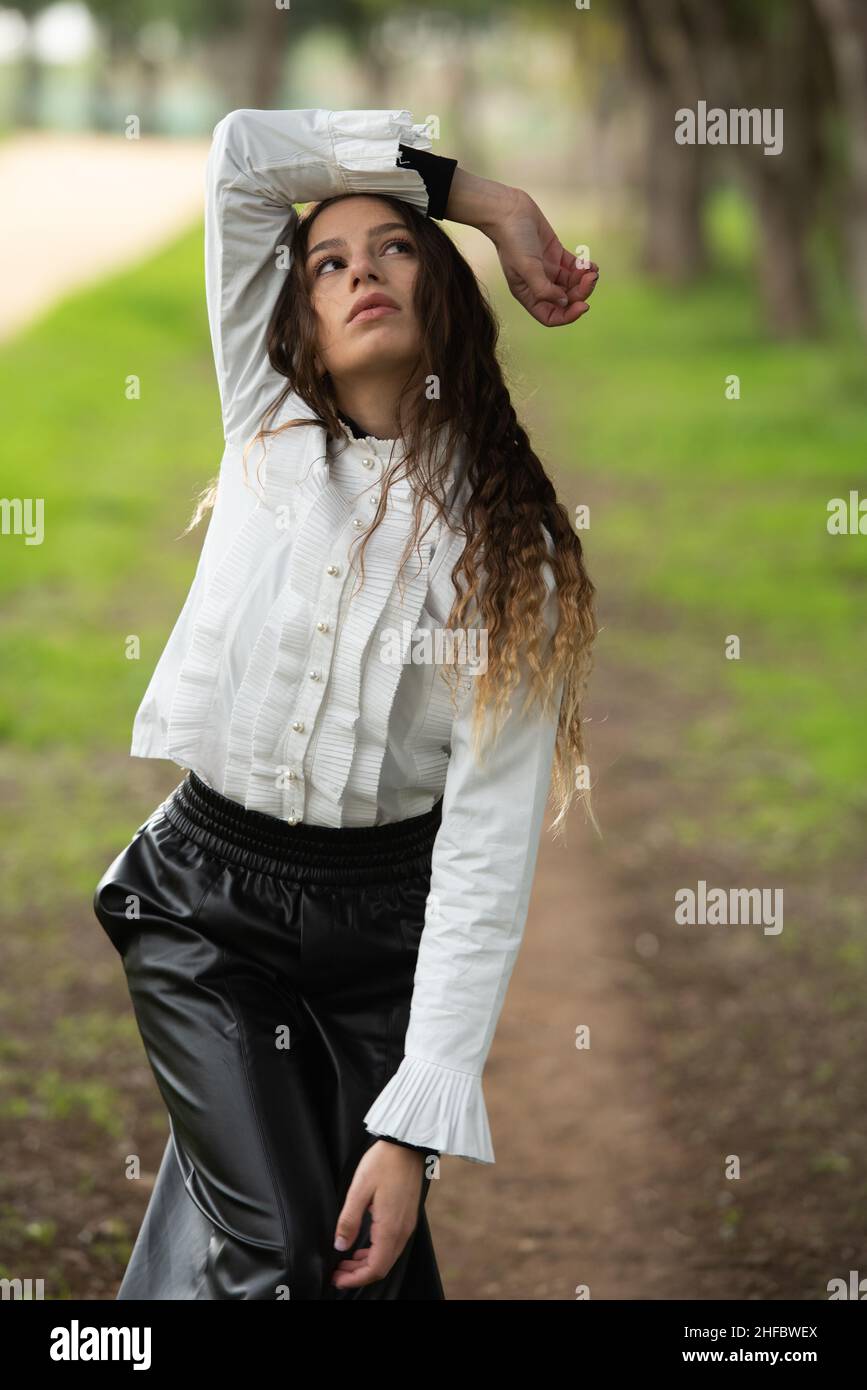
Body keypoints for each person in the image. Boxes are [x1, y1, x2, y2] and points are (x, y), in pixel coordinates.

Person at [92, 106, 599, 1300]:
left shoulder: (507, 549)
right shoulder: (264, 426)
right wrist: (485, 203)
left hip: (386, 940)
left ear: (447, 308)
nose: (361, 268)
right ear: (301, 333)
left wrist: (414, 1127)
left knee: (360, 1257)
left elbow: (485, 847)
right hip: (206, 913)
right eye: (328, 263)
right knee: (281, 1252)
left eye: (396, 248)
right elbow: (242, 158)